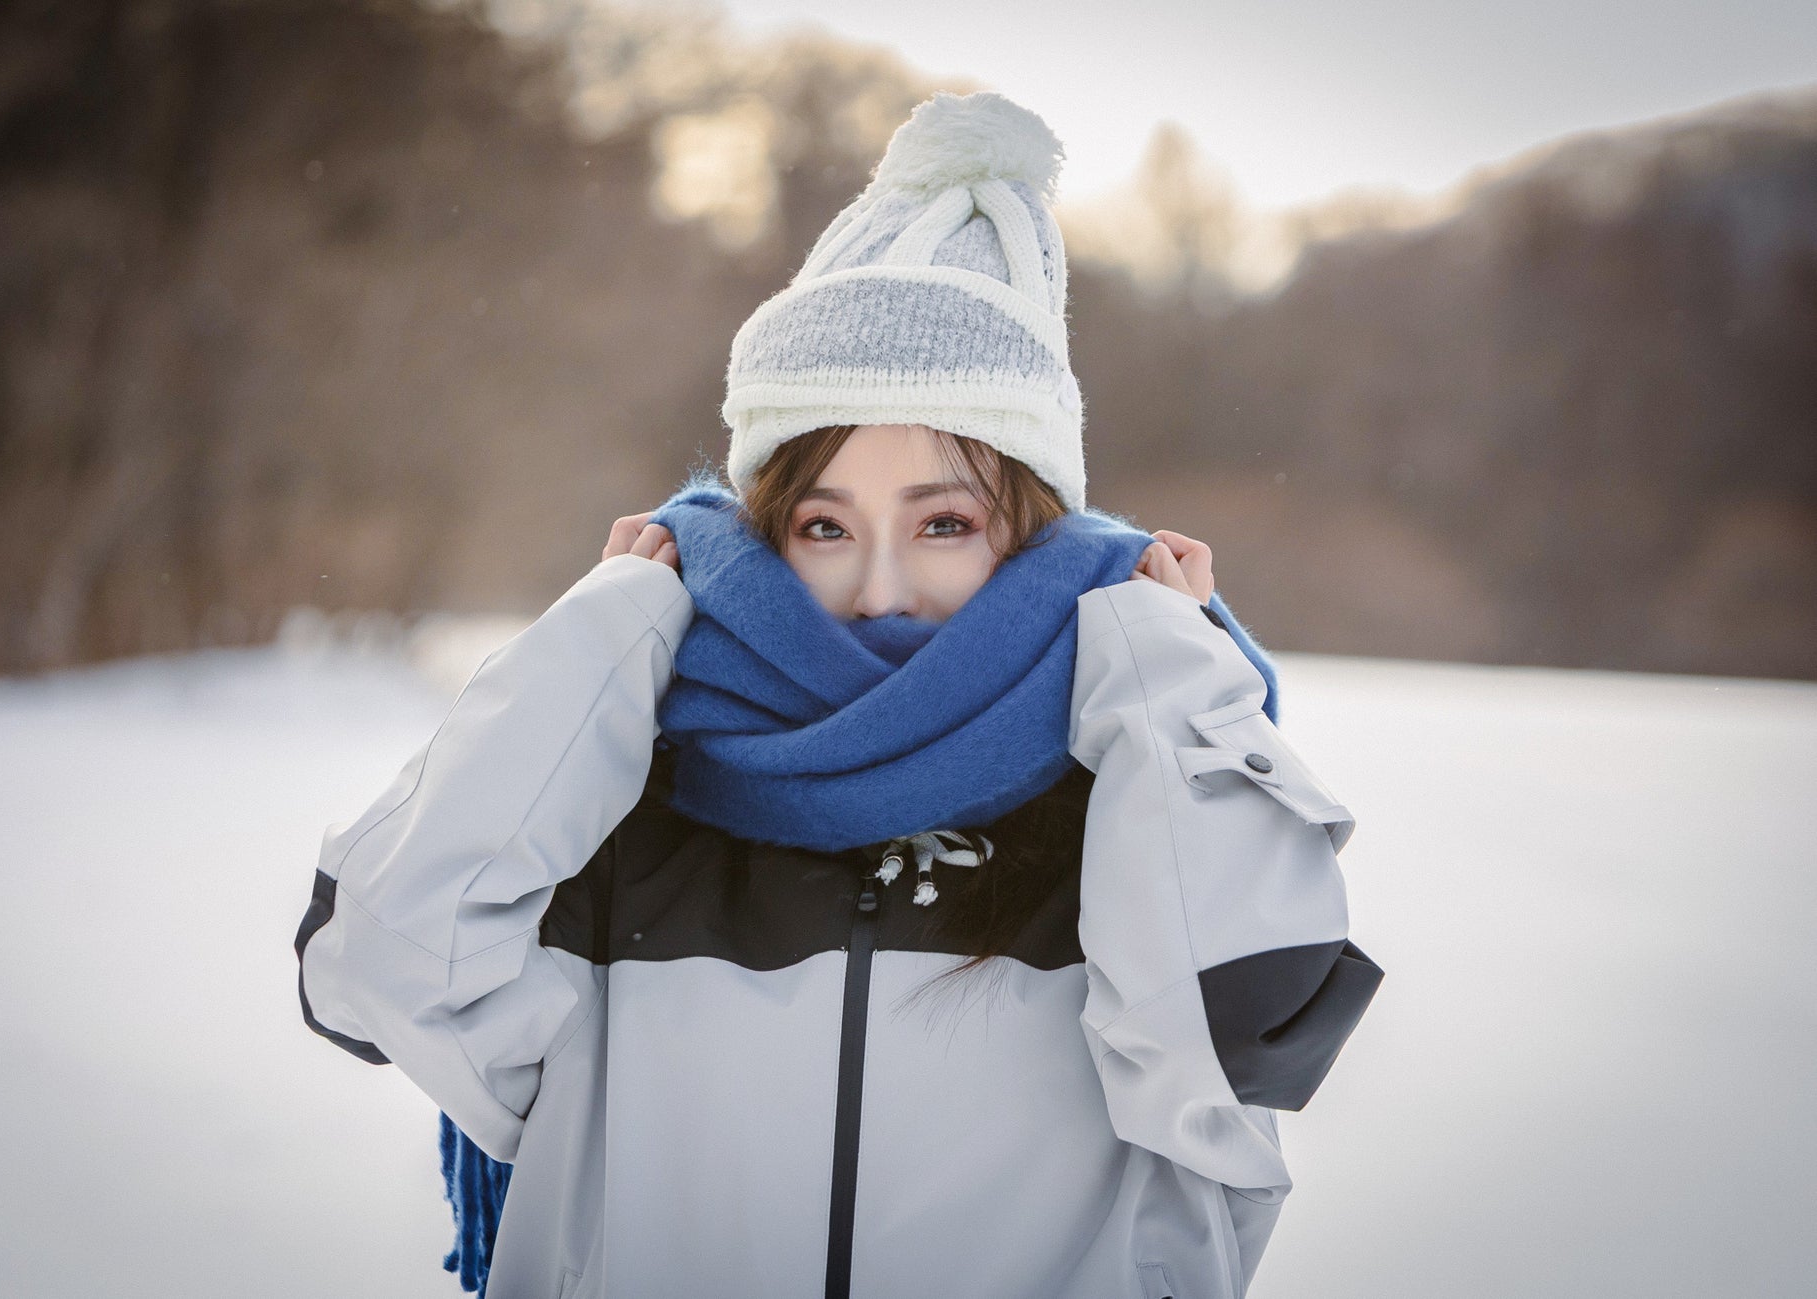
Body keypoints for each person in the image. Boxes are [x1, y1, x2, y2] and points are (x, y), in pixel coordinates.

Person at [295, 91, 1381, 1299]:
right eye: (824, 524)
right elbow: (381, 972)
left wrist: (1166, 678)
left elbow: (1246, 1033)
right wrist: (602, 644)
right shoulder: (625, 812)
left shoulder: (1125, 812)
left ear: (1036, 533)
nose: (879, 589)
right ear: (758, 534)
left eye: (945, 521)